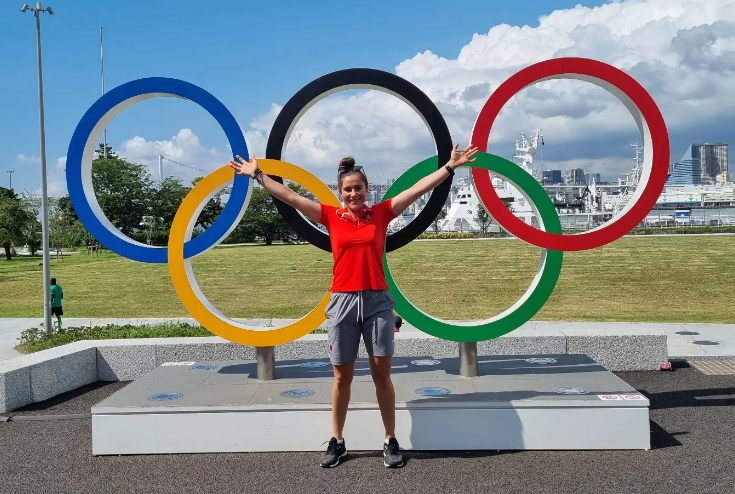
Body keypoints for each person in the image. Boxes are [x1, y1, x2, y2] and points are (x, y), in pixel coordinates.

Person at [229, 144, 478, 468]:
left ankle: (390, 439)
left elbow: (418, 189)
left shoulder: (382, 213)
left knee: (382, 377)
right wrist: (258, 175)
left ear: (366, 189)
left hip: (377, 302)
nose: (353, 194)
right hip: (343, 304)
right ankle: (338, 440)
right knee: (341, 378)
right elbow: (291, 197)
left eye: (358, 188)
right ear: (340, 192)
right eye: (348, 189)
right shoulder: (331, 216)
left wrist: (449, 167)